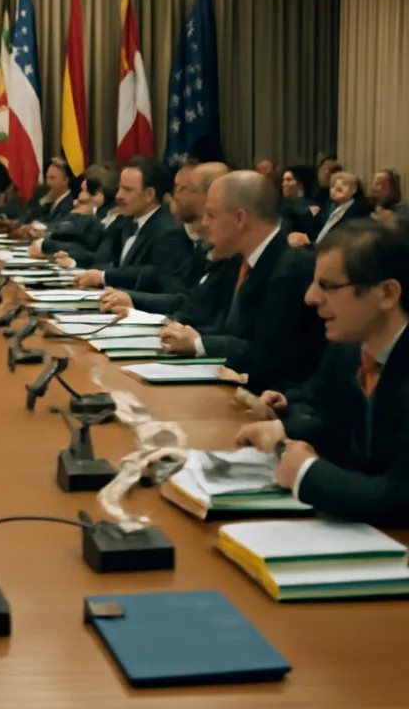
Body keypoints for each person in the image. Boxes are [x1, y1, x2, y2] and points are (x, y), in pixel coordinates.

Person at [234, 221, 409, 525]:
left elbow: (399, 497)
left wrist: (306, 473)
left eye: (328, 286)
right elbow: (331, 420)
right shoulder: (348, 348)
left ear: (387, 294)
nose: (310, 298)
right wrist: (284, 433)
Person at [159, 170, 324, 391]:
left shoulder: (291, 268)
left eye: (211, 215)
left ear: (239, 218)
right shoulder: (238, 259)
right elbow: (220, 324)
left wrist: (198, 343)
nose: (204, 223)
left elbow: (267, 355)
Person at [100, 161, 230, 316]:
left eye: (185, 189)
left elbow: (197, 308)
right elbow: (181, 297)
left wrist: (133, 300)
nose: (176, 195)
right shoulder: (194, 240)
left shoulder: (172, 231)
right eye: (176, 187)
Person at [71, 157, 191, 293]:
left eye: (127, 190)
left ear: (149, 195)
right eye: (120, 188)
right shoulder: (125, 221)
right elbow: (104, 259)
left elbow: (151, 277)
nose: (118, 195)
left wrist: (104, 277)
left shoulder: (169, 230)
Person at [289, 170, 371, 248]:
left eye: (344, 184)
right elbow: (313, 231)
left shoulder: (360, 211)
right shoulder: (327, 208)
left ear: (354, 190)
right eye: (333, 185)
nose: (337, 187)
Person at [279, 166, 320, 238]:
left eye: (288, 180)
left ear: (300, 184)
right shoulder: (280, 204)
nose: (283, 184)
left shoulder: (312, 206)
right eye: (283, 180)